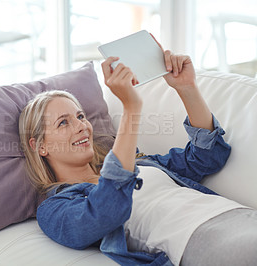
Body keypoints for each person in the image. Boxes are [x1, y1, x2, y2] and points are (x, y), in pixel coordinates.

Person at [18, 38, 257, 266]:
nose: (81, 126)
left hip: (238, 214)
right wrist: (131, 107)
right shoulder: (55, 208)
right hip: (200, 238)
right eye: (63, 122)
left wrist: (187, 88)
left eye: (80, 116)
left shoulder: (142, 163)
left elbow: (208, 156)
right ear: (40, 146)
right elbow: (104, 213)